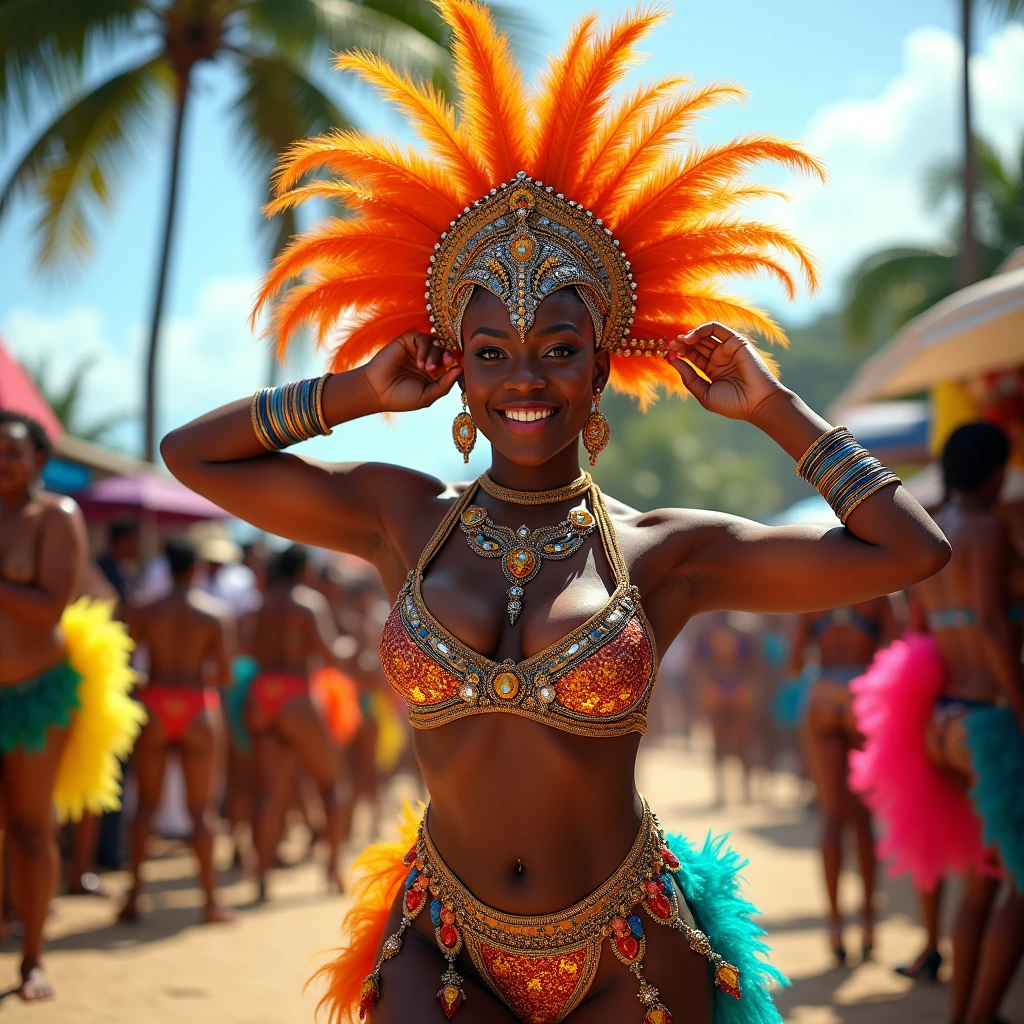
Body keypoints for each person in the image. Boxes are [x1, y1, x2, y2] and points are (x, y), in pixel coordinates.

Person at [158, 6, 949, 1021]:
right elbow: (193, 455)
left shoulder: (669, 552)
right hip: (444, 943)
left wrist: (773, 409)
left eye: (558, 350)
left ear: (602, 364)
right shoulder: (398, 515)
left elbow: (908, 549)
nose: (523, 379)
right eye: (490, 352)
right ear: (455, 371)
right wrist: (354, 391)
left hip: (627, 949)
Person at [851, 422, 1024, 1024]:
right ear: (996, 471)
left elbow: (919, 633)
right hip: (989, 722)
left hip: (942, 722)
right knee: (1020, 890)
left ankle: (965, 1015)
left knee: (981, 884)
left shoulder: (929, 529)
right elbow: (993, 625)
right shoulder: (985, 528)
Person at [0, 410, 143, 1002]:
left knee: (33, 829)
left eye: (12, 452)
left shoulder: (56, 516)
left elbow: (49, 606)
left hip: (36, 692)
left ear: (37, 460)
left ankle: (32, 959)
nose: (2, 463)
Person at [119, 537, 235, 924]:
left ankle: (133, 896)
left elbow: (125, 659)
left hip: (154, 701)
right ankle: (210, 902)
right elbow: (224, 673)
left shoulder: (145, 609)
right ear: (195, 569)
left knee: (144, 807)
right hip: (196, 705)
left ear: (167, 566)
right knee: (201, 811)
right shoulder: (214, 614)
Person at [245, 544, 353, 900]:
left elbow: (247, 649)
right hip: (296, 694)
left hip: (263, 693)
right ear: (303, 570)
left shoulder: (260, 603)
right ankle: (334, 869)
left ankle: (261, 877)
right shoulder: (308, 602)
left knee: (268, 792)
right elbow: (331, 655)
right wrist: (350, 646)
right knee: (333, 784)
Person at [789, 598, 894, 964]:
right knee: (864, 817)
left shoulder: (817, 592)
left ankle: (835, 925)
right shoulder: (879, 593)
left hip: (822, 696)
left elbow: (794, 663)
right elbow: (895, 654)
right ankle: (867, 921)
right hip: (864, 694)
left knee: (832, 815)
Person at [690, 612, 762, 806]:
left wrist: (748, 688)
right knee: (718, 741)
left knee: (742, 741)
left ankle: (746, 791)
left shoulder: (744, 630)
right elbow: (697, 663)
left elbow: (755, 663)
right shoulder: (706, 631)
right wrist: (705, 687)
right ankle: (721, 791)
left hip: (739, 687)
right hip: (715, 687)